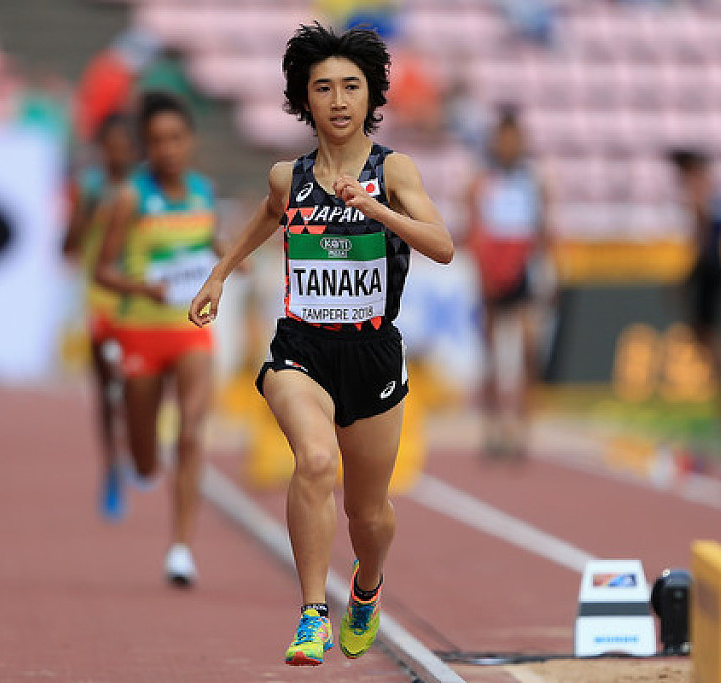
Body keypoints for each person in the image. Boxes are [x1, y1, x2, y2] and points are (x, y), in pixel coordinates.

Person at [190, 24, 453, 666]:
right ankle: (313, 613)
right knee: (313, 461)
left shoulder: (394, 170)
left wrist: (376, 210)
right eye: (324, 88)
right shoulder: (290, 177)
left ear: (371, 97)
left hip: (372, 353)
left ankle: (367, 586)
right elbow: (265, 217)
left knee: (369, 513)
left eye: (351, 87)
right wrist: (220, 274)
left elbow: (443, 246)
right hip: (301, 348)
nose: (338, 100)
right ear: (303, 99)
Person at [96, 91, 220, 587]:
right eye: (157, 140)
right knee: (146, 461)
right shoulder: (131, 197)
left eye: (176, 138)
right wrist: (144, 288)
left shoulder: (204, 192)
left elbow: (210, 242)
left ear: (191, 141)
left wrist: (232, 261)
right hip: (141, 333)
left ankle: (181, 548)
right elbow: (102, 271)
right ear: (146, 146)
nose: (168, 148)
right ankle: (137, 454)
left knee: (190, 433)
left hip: (191, 330)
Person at [465, 108, 552, 461]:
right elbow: (473, 224)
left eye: (513, 139)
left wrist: (548, 269)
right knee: (490, 353)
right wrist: (482, 268)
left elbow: (544, 228)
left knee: (529, 349)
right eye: (503, 139)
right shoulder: (483, 178)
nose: (508, 145)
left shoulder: (533, 179)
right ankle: (492, 428)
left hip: (523, 265)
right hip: (492, 265)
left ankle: (522, 428)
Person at [63, 113, 136, 521]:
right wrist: (84, 214)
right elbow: (68, 248)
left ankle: (137, 446)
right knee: (108, 390)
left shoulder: (144, 188)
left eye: (125, 145)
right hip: (101, 302)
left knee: (139, 386)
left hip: (140, 302)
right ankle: (112, 467)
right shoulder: (91, 190)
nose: (118, 152)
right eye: (111, 145)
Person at [669, 148, 721, 435]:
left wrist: (688, 277)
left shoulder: (702, 191)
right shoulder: (714, 193)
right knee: (704, 338)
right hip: (711, 269)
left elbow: (703, 238)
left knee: (709, 340)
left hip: (709, 271)